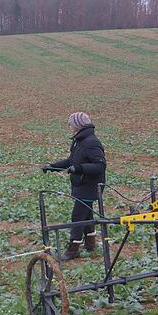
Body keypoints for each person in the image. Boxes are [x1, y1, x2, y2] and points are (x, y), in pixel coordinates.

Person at [42, 112, 107, 261]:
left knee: (78, 216)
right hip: (81, 184)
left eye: (71, 124)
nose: (69, 126)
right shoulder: (79, 141)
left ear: (78, 125)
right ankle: (91, 244)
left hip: (90, 186)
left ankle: (73, 249)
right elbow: (72, 160)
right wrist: (52, 166)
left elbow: (100, 165)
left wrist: (79, 169)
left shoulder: (91, 142)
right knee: (86, 213)